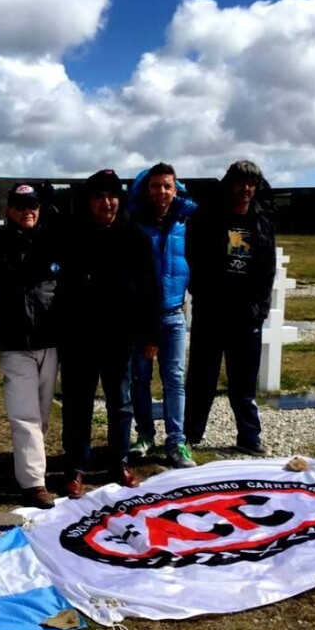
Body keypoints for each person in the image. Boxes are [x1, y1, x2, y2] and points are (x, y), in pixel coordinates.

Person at [59, 169, 158, 498]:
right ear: (89, 201)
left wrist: (151, 333)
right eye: (100, 197)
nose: (107, 203)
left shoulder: (135, 236)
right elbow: (60, 287)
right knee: (78, 405)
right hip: (79, 336)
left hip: (119, 336)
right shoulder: (72, 234)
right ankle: (76, 466)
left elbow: (149, 287)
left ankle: (119, 462)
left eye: (112, 196)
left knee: (121, 403)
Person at [184, 160, 277, 455]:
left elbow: (268, 268)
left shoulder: (262, 221)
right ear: (229, 184)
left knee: (244, 383)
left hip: (246, 314)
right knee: (202, 379)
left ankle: (249, 437)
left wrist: (260, 309)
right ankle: (191, 435)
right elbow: (193, 257)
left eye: (251, 184)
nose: (245, 189)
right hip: (212, 311)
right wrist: (202, 293)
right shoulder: (209, 217)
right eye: (240, 182)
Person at [0, 183, 64, 509]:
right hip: (15, 342)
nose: (27, 211)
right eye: (20, 206)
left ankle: (30, 466)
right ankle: (34, 483)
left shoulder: (52, 239)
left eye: (32, 205)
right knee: (25, 416)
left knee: (41, 416)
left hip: (49, 339)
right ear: (9, 210)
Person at [127, 163, 200, 469]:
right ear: (147, 189)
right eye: (155, 185)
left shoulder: (186, 220)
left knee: (174, 379)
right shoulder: (135, 223)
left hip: (173, 314)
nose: (161, 192)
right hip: (142, 316)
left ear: (175, 189)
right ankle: (145, 435)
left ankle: (177, 440)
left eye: (167, 186)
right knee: (140, 379)